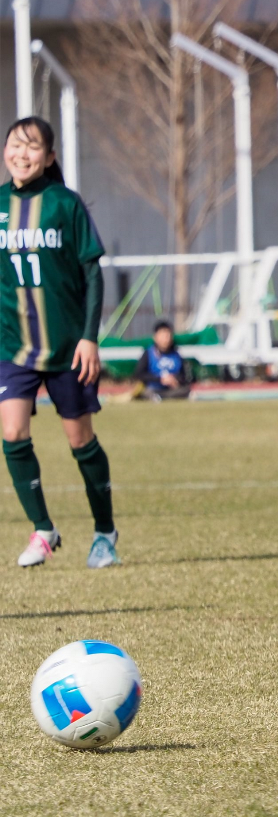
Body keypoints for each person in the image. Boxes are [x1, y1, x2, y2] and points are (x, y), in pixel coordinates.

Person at [0, 117, 119, 569]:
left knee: (80, 440)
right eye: (15, 145)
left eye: (32, 147)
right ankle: (43, 529)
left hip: (68, 347)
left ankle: (105, 533)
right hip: (12, 346)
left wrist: (90, 337)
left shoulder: (65, 203)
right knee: (13, 433)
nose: (21, 154)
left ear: (49, 156)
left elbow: (93, 273)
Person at [131, 321, 194, 400]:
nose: (166, 339)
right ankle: (156, 396)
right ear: (155, 337)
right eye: (163, 335)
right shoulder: (149, 353)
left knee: (185, 390)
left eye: (168, 335)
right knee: (145, 391)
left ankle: (162, 397)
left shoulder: (176, 354)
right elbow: (139, 374)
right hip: (153, 388)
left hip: (171, 389)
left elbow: (185, 376)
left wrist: (174, 379)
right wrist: (160, 379)